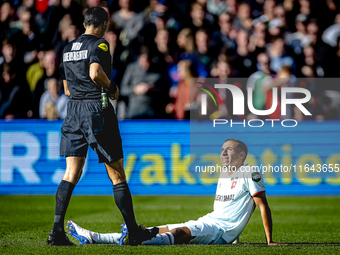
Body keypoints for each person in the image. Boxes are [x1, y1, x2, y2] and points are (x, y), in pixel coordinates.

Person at [47, 7, 157, 246]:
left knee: (70, 174)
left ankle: (56, 231)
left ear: (85, 23)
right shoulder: (101, 45)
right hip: (95, 110)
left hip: (72, 110)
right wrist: (112, 88)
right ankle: (133, 232)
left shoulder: (67, 49)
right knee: (117, 173)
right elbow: (96, 73)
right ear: (104, 25)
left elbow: (66, 89)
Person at [67, 139, 285, 246]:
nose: (223, 152)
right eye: (221, 149)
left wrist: (269, 242)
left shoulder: (251, 171)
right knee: (155, 230)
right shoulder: (224, 174)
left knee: (180, 233)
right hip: (212, 222)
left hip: (217, 229)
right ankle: (95, 238)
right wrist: (235, 236)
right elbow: (230, 208)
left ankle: (133, 242)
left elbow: (262, 205)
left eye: (229, 149)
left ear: (242, 154)